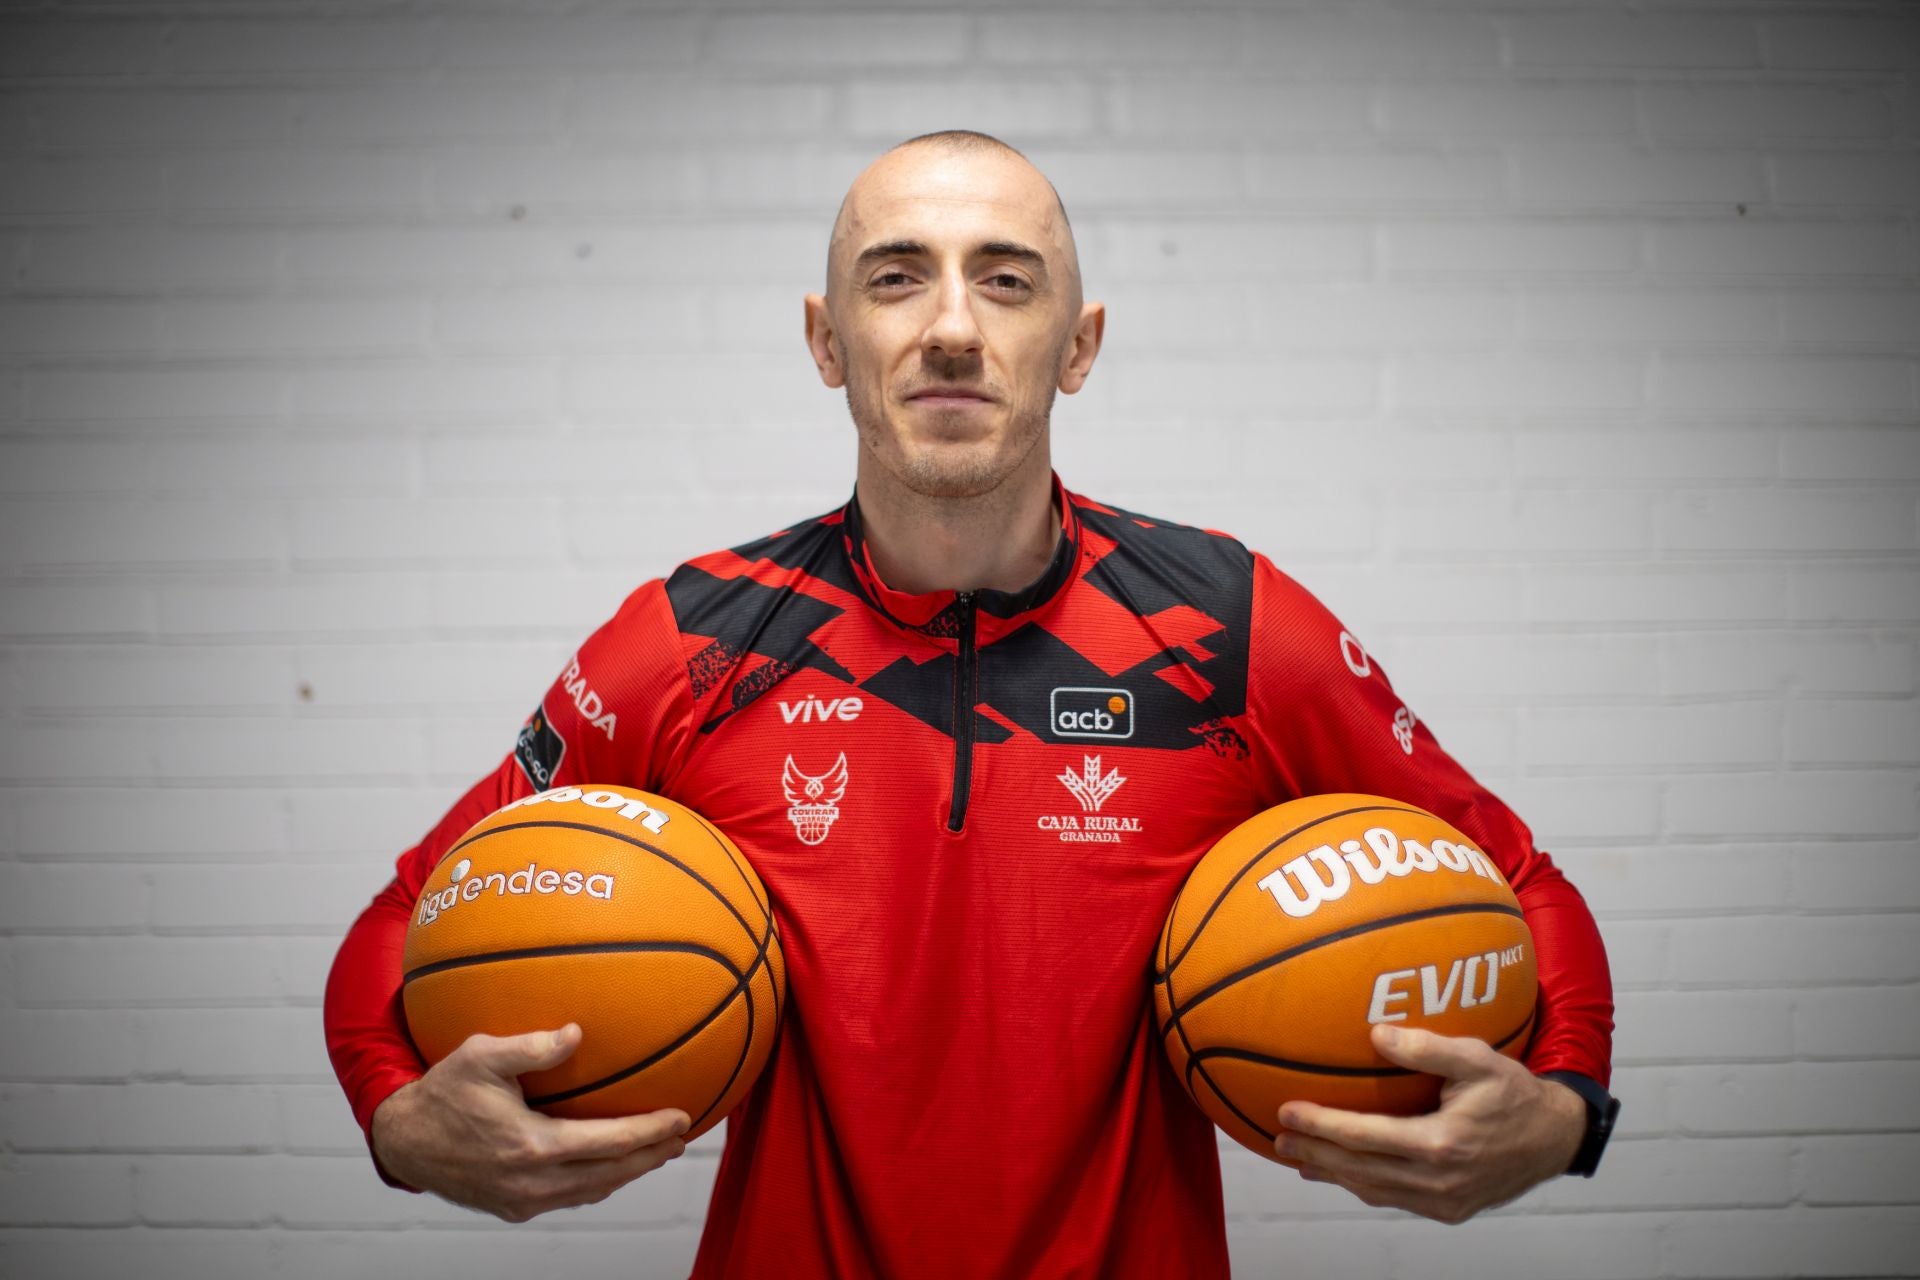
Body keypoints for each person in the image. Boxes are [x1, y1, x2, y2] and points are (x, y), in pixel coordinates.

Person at [324, 130, 1617, 1278]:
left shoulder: (1226, 627)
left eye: (1006, 280)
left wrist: (1562, 1111)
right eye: (896, 277)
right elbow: (408, 912)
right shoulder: (694, 638)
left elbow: (1517, 879)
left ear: (1079, 345)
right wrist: (397, 1115)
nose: (952, 326)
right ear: (827, 342)